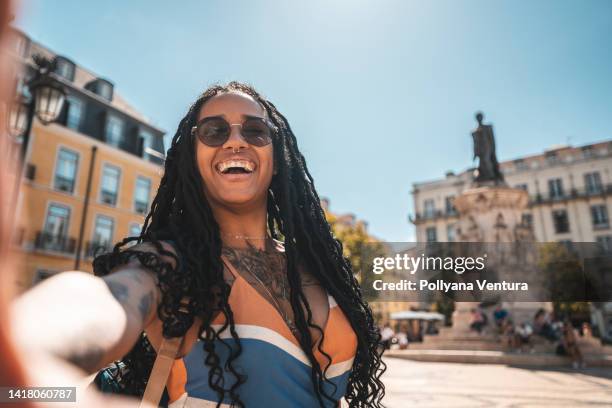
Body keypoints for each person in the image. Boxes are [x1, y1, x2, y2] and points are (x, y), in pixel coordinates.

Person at [12, 82, 385, 407]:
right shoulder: (173, 263)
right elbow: (112, 299)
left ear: (276, 159)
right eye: (214, 131)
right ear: (192, 158)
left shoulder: (315, 269)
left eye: (255, 131)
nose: (236, 140)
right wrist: (24, 347)